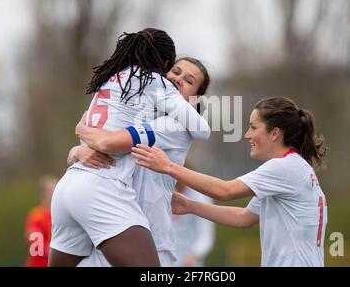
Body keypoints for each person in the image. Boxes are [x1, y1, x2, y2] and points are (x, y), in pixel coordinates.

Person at [49, 30, 211, 267]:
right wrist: (78, 151)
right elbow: (104, 142)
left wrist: (83, 133)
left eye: (189, 81)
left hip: (147, 236)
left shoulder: (174, 125)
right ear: (163, 69)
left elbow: (110, 142)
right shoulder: (138, 105)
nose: (178, 79)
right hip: (109, 223)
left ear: (196, 99)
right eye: (175, 72)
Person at [132, 97, 328, 267]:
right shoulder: (294, 168)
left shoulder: (285, 167)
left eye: (253, 127)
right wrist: (189, 205)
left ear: (275, 133)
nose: (247, 135)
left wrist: (169, 166)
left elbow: (225, 190)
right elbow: (244, 217)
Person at [171, 182, 215, 267]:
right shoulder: (164, 192)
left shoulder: (200, 197)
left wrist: (194, 255)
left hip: (189, 262)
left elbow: (205, 233)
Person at [24, 175, 58, 267]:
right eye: (52, 191)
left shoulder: (59, 215)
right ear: (44, 194)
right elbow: (35, 244)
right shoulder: (36, 215)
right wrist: (54, 251)